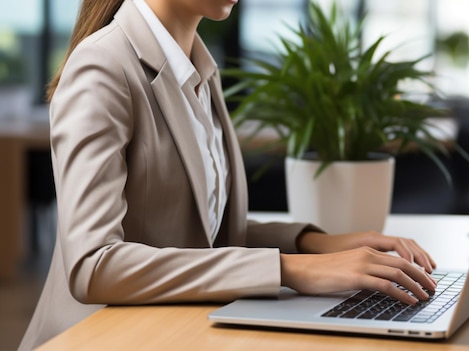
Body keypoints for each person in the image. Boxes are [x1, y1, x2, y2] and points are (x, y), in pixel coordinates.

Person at [19, 0, 437, 349]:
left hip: (172, 331)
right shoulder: (103, 66)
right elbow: (93, 265)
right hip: (98, 337)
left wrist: (316, 243)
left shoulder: (198, 67)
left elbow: (197, 233)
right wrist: (291, 270)